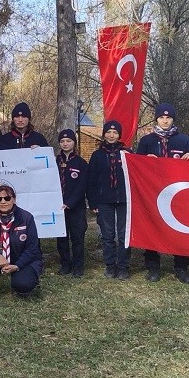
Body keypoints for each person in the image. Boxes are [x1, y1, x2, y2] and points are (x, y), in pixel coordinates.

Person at [135, 103, 189, 283]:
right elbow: (137, 167)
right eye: (162, 117)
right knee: (152, 227)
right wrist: (144, 161)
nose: (165, 120)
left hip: (178, 194)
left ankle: (181, 268)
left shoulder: (185, 141)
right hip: (152, 193)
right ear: (157, 119)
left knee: (180, 229)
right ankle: (153, 267)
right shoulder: (147, 141)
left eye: (168, 118)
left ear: (173, 120)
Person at [87, 120, 132, 280]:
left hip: (124, 200)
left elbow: (136, 176)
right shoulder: (97, 155)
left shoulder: (127, 153)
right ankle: (110, 265)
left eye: (115, 132)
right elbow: (91, 180)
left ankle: (123, 266)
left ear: (119, 135)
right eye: (108, 132)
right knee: (108, 235)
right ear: (104, 134)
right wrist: (93, 202)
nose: (111, 135)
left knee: (123, 235)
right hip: (104, 200)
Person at [55, 129, 88, 278]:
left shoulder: (80, 163)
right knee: (62, 238)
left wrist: (70, 203)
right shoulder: (54, 161)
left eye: (68, 141)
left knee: (77, 237)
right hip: (58, 206)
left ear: (74, 143)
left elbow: (82, 186)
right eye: (62, 141)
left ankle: (78, 265)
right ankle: (65, 264)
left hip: (76, 207)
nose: (65, 143)